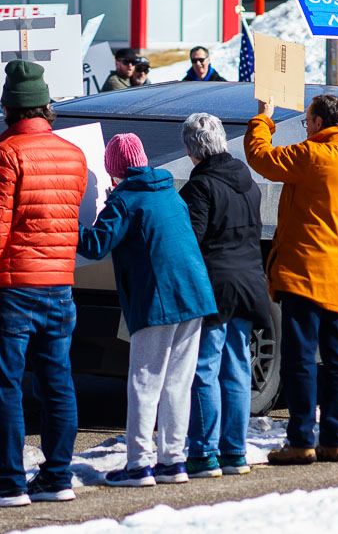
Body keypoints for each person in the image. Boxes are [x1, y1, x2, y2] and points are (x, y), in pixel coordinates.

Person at [0, 61, 89, 509]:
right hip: (60, 284)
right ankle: (57, 476)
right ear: (46, 107)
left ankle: (9, 482)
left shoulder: (5, 154)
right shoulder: (74, 154)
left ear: (9, 108)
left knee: (3, 387)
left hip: (13, 287)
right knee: (58, 383)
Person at [245, 94, 338, 465]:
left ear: (320, 123)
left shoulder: (310, 156)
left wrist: (264, 119)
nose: (306, 128)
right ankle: (336, 439)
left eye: (308, 122)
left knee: (301, 359)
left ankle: (301, 439)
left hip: (303, 274)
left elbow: (260, 157)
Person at [77, 133, 218, 487]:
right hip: (195, 295)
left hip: (157, 299)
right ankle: (172, 460)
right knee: (177, 383)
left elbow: (95, 246)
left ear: (114, 171)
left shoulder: (124, 200)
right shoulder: (168, 190)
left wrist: (65, 224)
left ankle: (139, 464)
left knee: (144, 381)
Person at [180, 113, 273, 479]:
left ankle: (203, 453)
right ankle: (234, 451)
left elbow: (191, 242)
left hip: (214, 286)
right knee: (236, 366)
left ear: (192, 149)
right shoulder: (247, 183)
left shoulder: (200, 188)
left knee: (204, 368)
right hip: (250, 282)